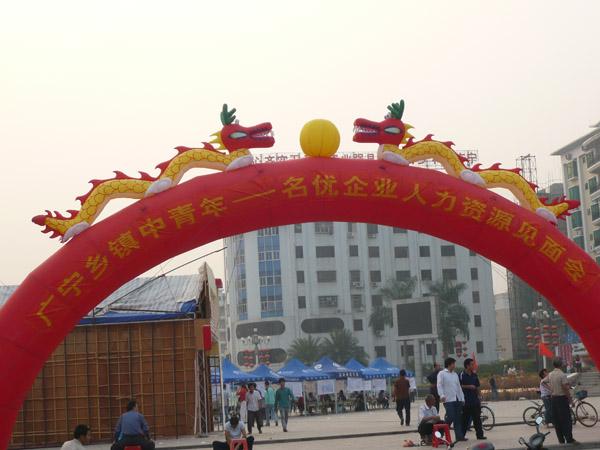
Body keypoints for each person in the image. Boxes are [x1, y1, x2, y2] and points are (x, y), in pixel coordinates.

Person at [548, 357, 578, 444]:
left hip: (553, 399)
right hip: (561, 399)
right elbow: (565, 388)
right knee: (566, 420)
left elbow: (543, 382)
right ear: (561, 364)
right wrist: (571, 400)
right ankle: (569, 439)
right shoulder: (562, 375)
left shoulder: (550, 374)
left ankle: (561, 440)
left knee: (557, 421)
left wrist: (552, 391)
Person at [437, 357, 466, 442]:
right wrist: (441, 395)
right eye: (453, 363)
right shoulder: (442, 373)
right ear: (449, 364)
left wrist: (462, 398)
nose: (454, 365)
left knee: (458, 418)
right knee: (450, 417)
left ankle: (459, 436)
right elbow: (439, 385)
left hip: (457, 399)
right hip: (448, 399)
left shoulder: (455, 374)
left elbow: (458, 387)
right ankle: (440, 434)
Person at [460, 358, 486, 440]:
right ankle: (461, 436)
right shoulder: (461, 375)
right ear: (467, 366)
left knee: (477, 419)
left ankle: (480, 435)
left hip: (475, 400)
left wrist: (480, 396)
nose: (473, 366)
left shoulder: (474, 375)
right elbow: (459, 386)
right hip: (465, 401)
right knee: (465, 419)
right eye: (472, 364)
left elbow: (477, 386)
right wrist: (469, 386)